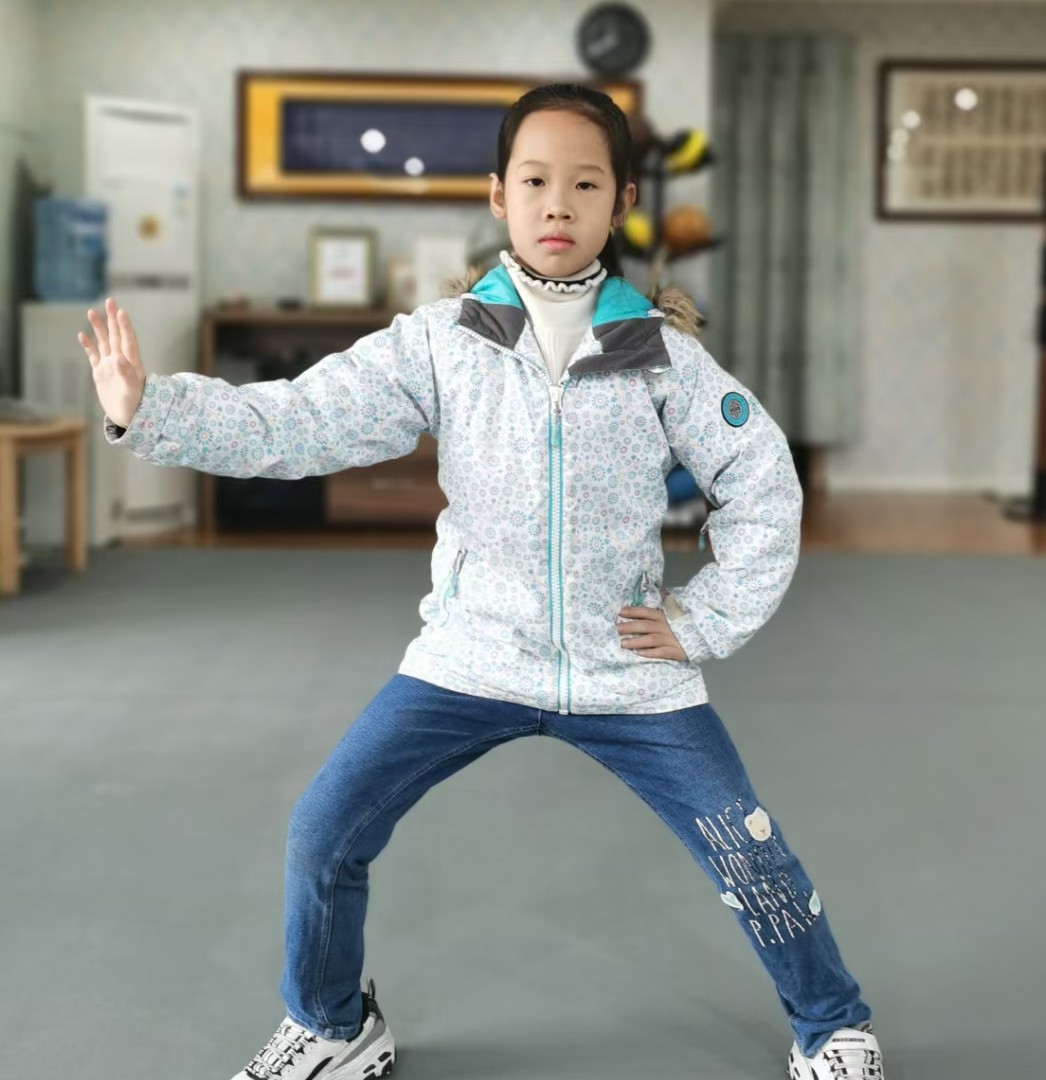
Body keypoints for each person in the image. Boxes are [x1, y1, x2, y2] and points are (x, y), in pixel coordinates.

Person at [78, 84, 885, 1080]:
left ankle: (833, 1026)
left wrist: (705, 617)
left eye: (584, 184)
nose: (558, 205)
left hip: (626, 667)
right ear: (499, 195)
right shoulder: (441, 340)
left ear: (622, 201)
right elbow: (302, 419)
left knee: (747, 851)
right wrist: (150, 410)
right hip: (473, 655)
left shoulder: (661, 355)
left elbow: (761, 478)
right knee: (325, 828)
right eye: (535, 182)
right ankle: (333, 1026)